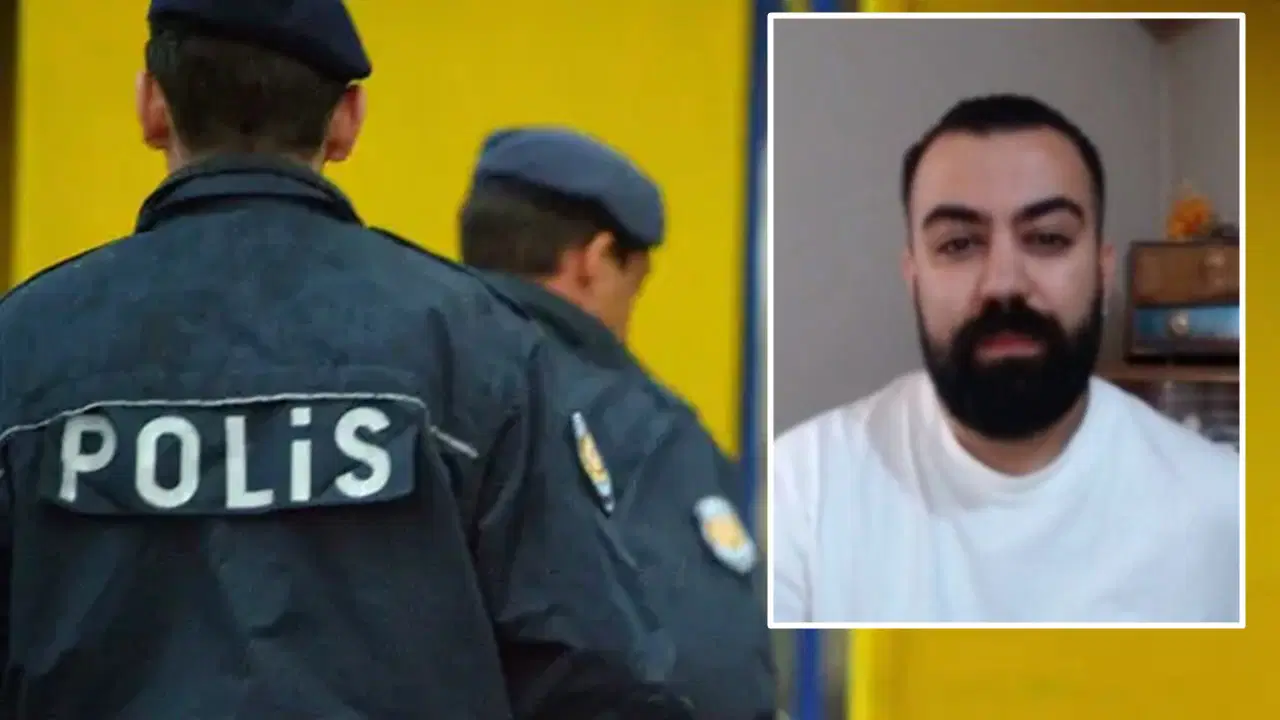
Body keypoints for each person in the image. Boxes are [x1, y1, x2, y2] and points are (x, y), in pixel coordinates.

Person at [0, 2, 702, 717]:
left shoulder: (25, 346)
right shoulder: (474, 346)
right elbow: (594, 673)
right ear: (347, 121)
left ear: (152, 105)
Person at [771, 94, 1240, 624]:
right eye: (958, 244)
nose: (1003, 284)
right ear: (913, 276)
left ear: (1104, 271)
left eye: (1047, 238)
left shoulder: (1226, 509)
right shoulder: (801, 493)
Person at [457, 127, 778, 717]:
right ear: (596, 260)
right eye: (636, 284)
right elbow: (709, 668)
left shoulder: (400, 383)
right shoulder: (638, 424)